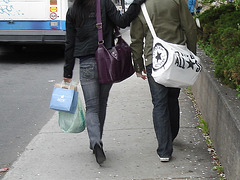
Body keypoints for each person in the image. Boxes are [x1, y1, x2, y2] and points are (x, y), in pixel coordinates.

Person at [63, 0, 145, 165]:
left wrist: (68, 71)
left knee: (92, 107)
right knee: (102, 103)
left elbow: (70, 43)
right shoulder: (104, 3)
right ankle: (97, 139)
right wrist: (137, 3)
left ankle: (96, 142)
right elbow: (122, 21)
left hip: (86, 64)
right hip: (106, 62)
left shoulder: (72, 11)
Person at [130, 0, 197, 162]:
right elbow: (190, 28)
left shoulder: (140, 5)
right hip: (175, 58)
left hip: (155, 59)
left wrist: (138, 65)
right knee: (172, 98)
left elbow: (136, 39)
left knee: (159, 103)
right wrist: (191, 55)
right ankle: (171, 134)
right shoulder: (177, 0)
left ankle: (164, 150)